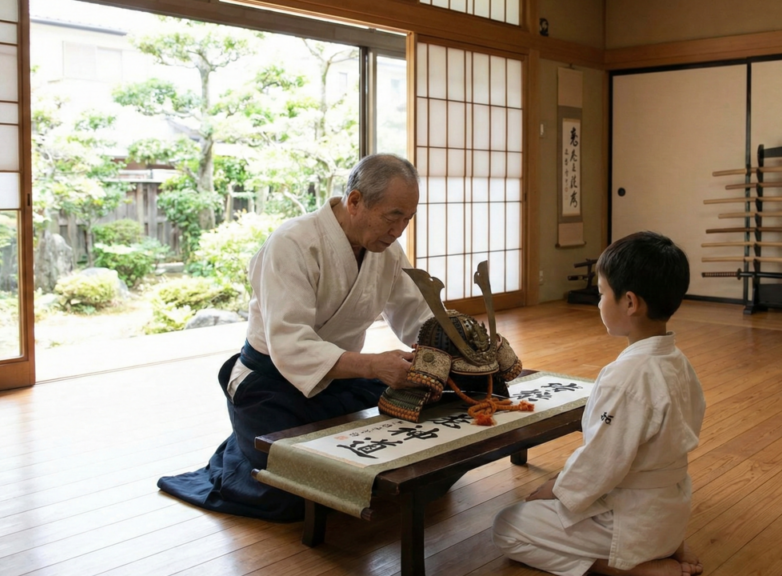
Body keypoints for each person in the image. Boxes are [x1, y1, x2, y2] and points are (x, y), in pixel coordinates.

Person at [158, 154, 434, 521]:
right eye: (392, 216)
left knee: (423, 443)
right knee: (297, 490)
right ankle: (242, 449)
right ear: (354, 202)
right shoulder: (292, 242)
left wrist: (459, 341)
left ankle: (258, 441)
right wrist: (373, 365)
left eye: (408, 219)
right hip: (271, 384)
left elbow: (417, 314)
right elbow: (291, 345)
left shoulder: (388, 251)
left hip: (341, 378)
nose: (399, 229)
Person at [493, 231, 706, 576]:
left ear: (631, 303)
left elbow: (602, 462)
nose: (598, 301)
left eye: (603, 293)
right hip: (668, 511)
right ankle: (667, 545)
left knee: (508, 527)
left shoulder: (628, 377)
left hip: (629, 521)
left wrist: (553, 490)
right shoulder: (679, 363)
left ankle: (632, 569)